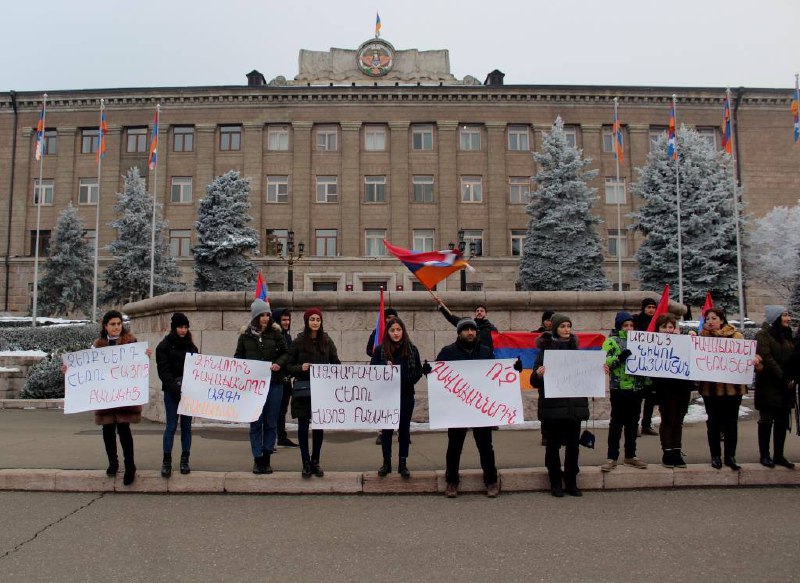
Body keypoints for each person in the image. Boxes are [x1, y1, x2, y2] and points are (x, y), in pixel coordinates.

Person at [435, 318, 499, 498]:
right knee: (454, 446)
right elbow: (437, 375)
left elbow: (495, 375)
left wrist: (514, 369)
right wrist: (428, 370)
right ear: (459, 332)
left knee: (486, 446)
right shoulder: (448, 352)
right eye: (466, 329)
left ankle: (491, 481)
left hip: (480, 407)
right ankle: (452, 481)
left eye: (473, 329)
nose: (470, 332)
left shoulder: (486, 352)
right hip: (457, 408)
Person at [532, 313, 593, 497]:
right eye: (563, 326)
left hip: (573, 407)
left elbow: (586, 375)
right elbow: (533, 380)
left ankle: (571, 482)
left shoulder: (577, 352)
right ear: (555, 329)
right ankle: (555, 482)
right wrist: (539, 374)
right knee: (552, 446)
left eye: (568, 326)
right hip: (553, 408)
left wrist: (599, 370)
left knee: (573, 447)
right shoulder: (544, 353)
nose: (567, 329)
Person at [90, 310, 151, 485]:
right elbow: (89, 368)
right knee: (107, 430)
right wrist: (69, 370)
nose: (116, 327)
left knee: (124, 430)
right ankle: (113, 462)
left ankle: (130, 466)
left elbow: (139, 366)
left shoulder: (131, 342)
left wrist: (145, 356)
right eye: (113, 324)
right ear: (105, 326)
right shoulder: (98, 345)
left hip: (124, 394)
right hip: (106, 395)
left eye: (119, 324)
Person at [234, 299, 288, 475]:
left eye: (267, 315)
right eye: (261, 315)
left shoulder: (276, 333)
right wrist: (246, 369)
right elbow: (238, 358)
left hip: (274, 383)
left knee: (271, 422)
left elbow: (286, 353)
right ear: (255, 317)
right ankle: (257, 459)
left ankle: (267, 457)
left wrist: (279, 364)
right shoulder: (245, 336)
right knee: (256, 422)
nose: (265, 318)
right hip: (254, 387)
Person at [287, 308, 341, 478]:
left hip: (322, 390)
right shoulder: (298, 341)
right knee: (303, 426)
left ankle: (315, 461)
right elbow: (288, 366)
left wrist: (333, 372)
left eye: (318, 319)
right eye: (312, 319)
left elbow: (336, 363)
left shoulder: (327, 340)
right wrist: (300, 368)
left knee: (319, 426)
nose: (315, 322)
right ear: (306, 322)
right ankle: (305, 462)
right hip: (303, 390)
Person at [370, 317, 423, 479]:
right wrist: (383, 366)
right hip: (386, 396)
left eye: (398, 330)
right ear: (388, 332)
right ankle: (386, 463)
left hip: (406, 395)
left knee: (404, 430)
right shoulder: (380, 350)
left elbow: (418, 371)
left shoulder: (412, 349)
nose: (396, 333)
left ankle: (403, 463)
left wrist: (411, 379)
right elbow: (372, 370)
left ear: (403, 331)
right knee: (387, 430)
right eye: (392, 330)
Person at [697, 307, 748, 470]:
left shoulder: (736, 336)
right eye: (707, 319)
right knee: (713, 422)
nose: (710, 322)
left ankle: (730, 456)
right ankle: (715, 456)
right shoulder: (702, 338)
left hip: (733, 388)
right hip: (710, 389)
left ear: (721, 320)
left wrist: (753, 359)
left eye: (714, 318)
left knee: (731, 423)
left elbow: (744, 358)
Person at [601, 311, 647, 472]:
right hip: (619, 388)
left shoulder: (641, 341)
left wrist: (647, 384)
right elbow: (604, 362)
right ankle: (612, 457)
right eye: (625, 325)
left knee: (633, 424)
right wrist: (619, 358)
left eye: (631, 325)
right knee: (616, 423)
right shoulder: (612, 341)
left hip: (636, 388)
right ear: (619, 326)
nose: (629, 328)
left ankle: (630, 455)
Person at [155, 312, 199, 478]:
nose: (183, 330)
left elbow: (198, 367)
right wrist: (174, 387)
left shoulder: (191, 346)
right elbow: (163, 371)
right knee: (171, 426)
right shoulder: (164, 346)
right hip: (172, 391)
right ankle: (167, 461)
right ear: (174, 328)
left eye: (185, 327)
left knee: (186, 427)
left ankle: (184, 460)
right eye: (181, 327)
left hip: (187, 391)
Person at [755, 305, 796, 469]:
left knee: (782, 421)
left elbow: (793, 358)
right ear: (776, 317)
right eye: (785, 315)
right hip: (768, 385)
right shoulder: (763, 335)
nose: (788, 318)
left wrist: (793, 376)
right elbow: (767, 358)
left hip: (785, 386)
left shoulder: (787, 335)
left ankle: (779, 455)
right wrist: (784, 377)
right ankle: (764, 455)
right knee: (766, 420)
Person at [651, 313, 694, 468]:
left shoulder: (683, 342)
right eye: (664, 327)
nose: (668, 330)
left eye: (671, 327)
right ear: (658, 329)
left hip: (682, 387)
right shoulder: (653, 344)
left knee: (678, 420)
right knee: (668, 419)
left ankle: (676, 450)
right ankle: (667, 452)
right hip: (665, 388)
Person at [366, 307, 399, 445]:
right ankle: (381, 432)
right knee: (382, 405)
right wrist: (380, 355)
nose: (390, 319)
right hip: (381, 374)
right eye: (388, 317)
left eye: (393, 317)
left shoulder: (399, 332)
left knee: (397, 403)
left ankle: (401, 431)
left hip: (396, 375)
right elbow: (369, 350)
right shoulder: (376, 333)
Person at [273, 308, 299, 448]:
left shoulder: (287, 337)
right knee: (274, 410)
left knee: (282, 410)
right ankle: (270, 440)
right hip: (276, 378)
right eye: (283, 320)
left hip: (286, 378)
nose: (287, 322)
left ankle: (282, 436)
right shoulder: (274, 337)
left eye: (288, 319)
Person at [434, 298, 498, 353]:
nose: (479, 312)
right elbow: (452, 318)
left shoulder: (491, 329)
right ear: (475, 313)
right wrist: (441, 305)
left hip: (484, 356)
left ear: (485, 313)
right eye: (477, 311)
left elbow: (497, 344)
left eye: (482, 311)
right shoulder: (467, 324)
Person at [633, 297, 659, 436]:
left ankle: (646, 424)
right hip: (639, 364)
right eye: (648, 307)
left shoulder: (658, 322)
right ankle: (635, 424)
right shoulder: (636, 321)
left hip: (653, 366)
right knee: (637, 397)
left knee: (651, 398)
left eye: (653, 307)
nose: (651, 310)